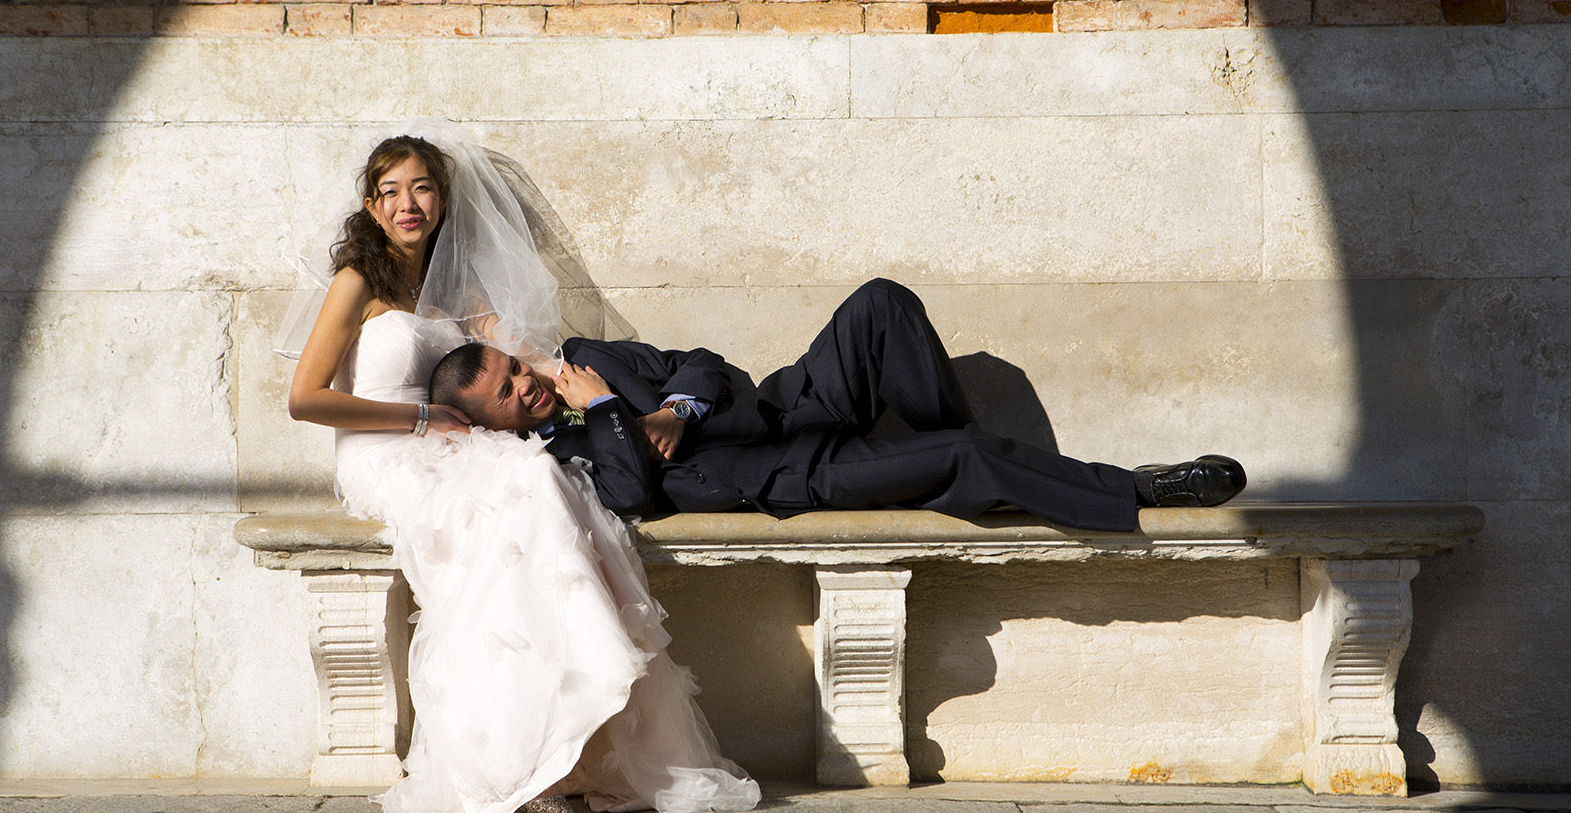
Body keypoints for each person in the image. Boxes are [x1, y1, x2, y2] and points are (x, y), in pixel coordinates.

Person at [282, 130, 759, 813]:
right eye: (391, 192)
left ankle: (571, 742)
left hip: (455, 443)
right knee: (510, 508)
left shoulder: (456, 283)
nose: (407, 203)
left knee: (539, 478)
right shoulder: (358, 282)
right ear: (371, 205)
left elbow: (527, 355)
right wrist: (419, 420)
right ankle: (512, 755)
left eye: (421, 188)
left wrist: (618, 405)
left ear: (442, 199)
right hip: (388, 452)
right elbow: (304, 399)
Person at [430, 278, 1246, 528]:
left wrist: (675, 407)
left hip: (789, 403)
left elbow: (704, 363)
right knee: (962, 457)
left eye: (513, 366)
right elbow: (633, 491)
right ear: (489, 420)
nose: (526, 382)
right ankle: (1137, 487)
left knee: (881, 303)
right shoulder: (554, 456)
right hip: (795, 470)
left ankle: (981, 466)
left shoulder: (585, 356)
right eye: (508, 391)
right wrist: (608, 408)